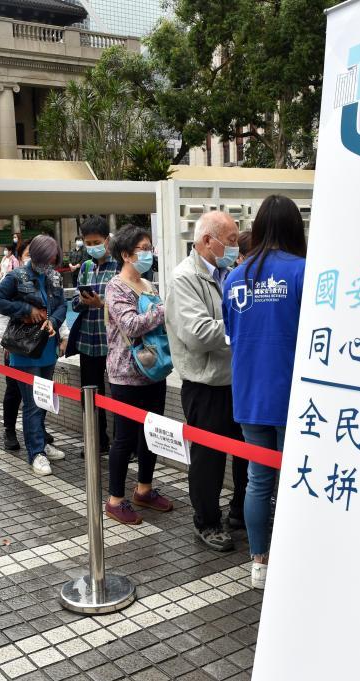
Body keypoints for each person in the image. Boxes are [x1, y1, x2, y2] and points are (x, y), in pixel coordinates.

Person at [222, 194, 307, 589]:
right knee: (295, 481)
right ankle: (295, 560)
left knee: (258, 480)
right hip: (295, 397)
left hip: (250, 393)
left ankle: (259, 562)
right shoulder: (303, 272)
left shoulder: (235, 277)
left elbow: (231, 333)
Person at [166, 211, 248, 552]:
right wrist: (246, 327)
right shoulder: (184, 278)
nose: (235, 247)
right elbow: (198, 334)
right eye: (230, 241)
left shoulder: (232, 273)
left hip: (238, 381)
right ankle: (207, 522)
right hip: (206, 385)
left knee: (245, 453)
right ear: (206, 241)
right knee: (208, 460)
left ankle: (240, 512)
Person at [103, 227, 174, 525]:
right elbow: (131, 325)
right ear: (126, 254)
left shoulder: (147, 283)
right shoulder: (115, 287)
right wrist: (165, 309)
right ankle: (115, 500)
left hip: (154, 370)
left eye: (149, 247)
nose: (149, 253)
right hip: (126, 375)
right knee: (124, 439)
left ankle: (144, 489)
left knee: (151, 435)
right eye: (143, 248)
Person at [0, 235, 67, 476]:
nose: (48, 264)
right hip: (24, 350)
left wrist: (54, 321)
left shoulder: (54, 276)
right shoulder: (16, 276)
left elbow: (62, 305)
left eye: (52, 260)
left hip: (48, 348)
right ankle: (36, 453)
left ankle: (41, 442)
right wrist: (25, 309)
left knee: (44, 401)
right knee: (32, 404)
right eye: (45, 259)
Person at [70, 216, 119, 456]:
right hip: (88, 342)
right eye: (87, 243)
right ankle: (98, 441)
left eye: (96, 242)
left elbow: (130, 303)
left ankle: (122, 445)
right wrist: (82, 301)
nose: (91, 247)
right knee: (90, 394)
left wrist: (103, 304)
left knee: (119, 395)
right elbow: (74, 303)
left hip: (114, 343)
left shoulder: (120, 266)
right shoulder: (86, 267)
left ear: (107, 240)